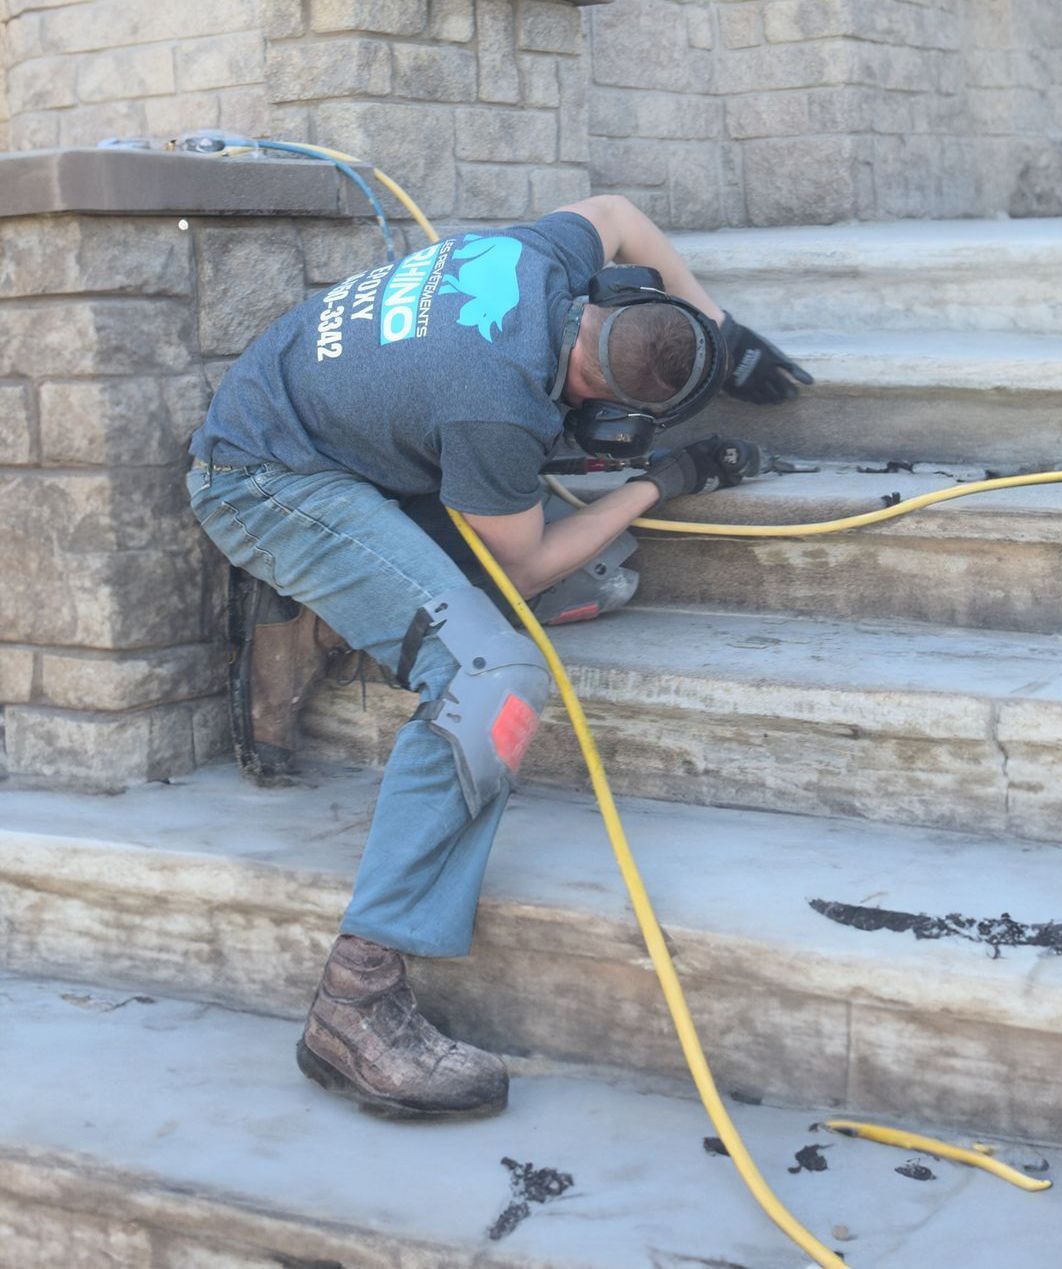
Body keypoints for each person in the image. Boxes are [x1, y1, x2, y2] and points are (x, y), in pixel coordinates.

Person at [185, 193, 812, 1119]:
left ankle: (328, 608)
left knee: (603, 580)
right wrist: (663, 478)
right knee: (493, 680)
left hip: (333, 431)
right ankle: (355, 1000)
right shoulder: (496, 409)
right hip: (265, 478)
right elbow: (521, 566)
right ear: (603, 403)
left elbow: (618, 210)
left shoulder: (544, 261)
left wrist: (719, 331)